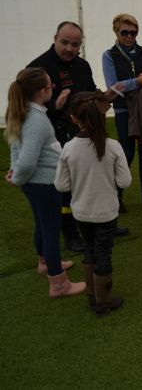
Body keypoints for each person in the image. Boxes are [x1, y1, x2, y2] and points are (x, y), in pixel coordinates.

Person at [4, 67, 86, 298]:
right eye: (50, 86)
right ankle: (59, 283)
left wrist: (14, 172)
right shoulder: (37, 120)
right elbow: (28, 159)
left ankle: (45, 262)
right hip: (44, 183)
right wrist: (18, 175)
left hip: (35, 184)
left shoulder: (25, 113)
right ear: (41, 92)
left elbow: (16, 148)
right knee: (51, 229)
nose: (53, 89)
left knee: (42, 224)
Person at [54, 93, 131, 316]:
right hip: (106, 212)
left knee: (89, 250)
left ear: (74, 119)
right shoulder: (114, 146)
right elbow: (124, 181)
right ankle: (103, 302)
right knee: (103, 254)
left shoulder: (68, 148)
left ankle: (93, 297)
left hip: (81, 212)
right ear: (102, 116)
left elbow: (61, 185)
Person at [26, 22, 93, 252]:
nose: (70, 48)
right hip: (51, 139)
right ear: (55, 38)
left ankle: (94, 224)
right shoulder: (36, 69)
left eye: (75, 44)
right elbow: (25, 109)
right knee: (62, 188)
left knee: (85, 182)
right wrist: (54, 107)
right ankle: (70, 233)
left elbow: (91, 93)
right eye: (65, 42)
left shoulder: (83, 66)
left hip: (82, 136)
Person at [102, 13, 142, 210]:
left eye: (133, 32)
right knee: (125, 154)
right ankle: (116, 197)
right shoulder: (109, 55)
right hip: (123, 111)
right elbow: (112, 87)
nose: (129, 36)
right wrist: (138, 81)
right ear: (116, 31)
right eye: (125, 32)